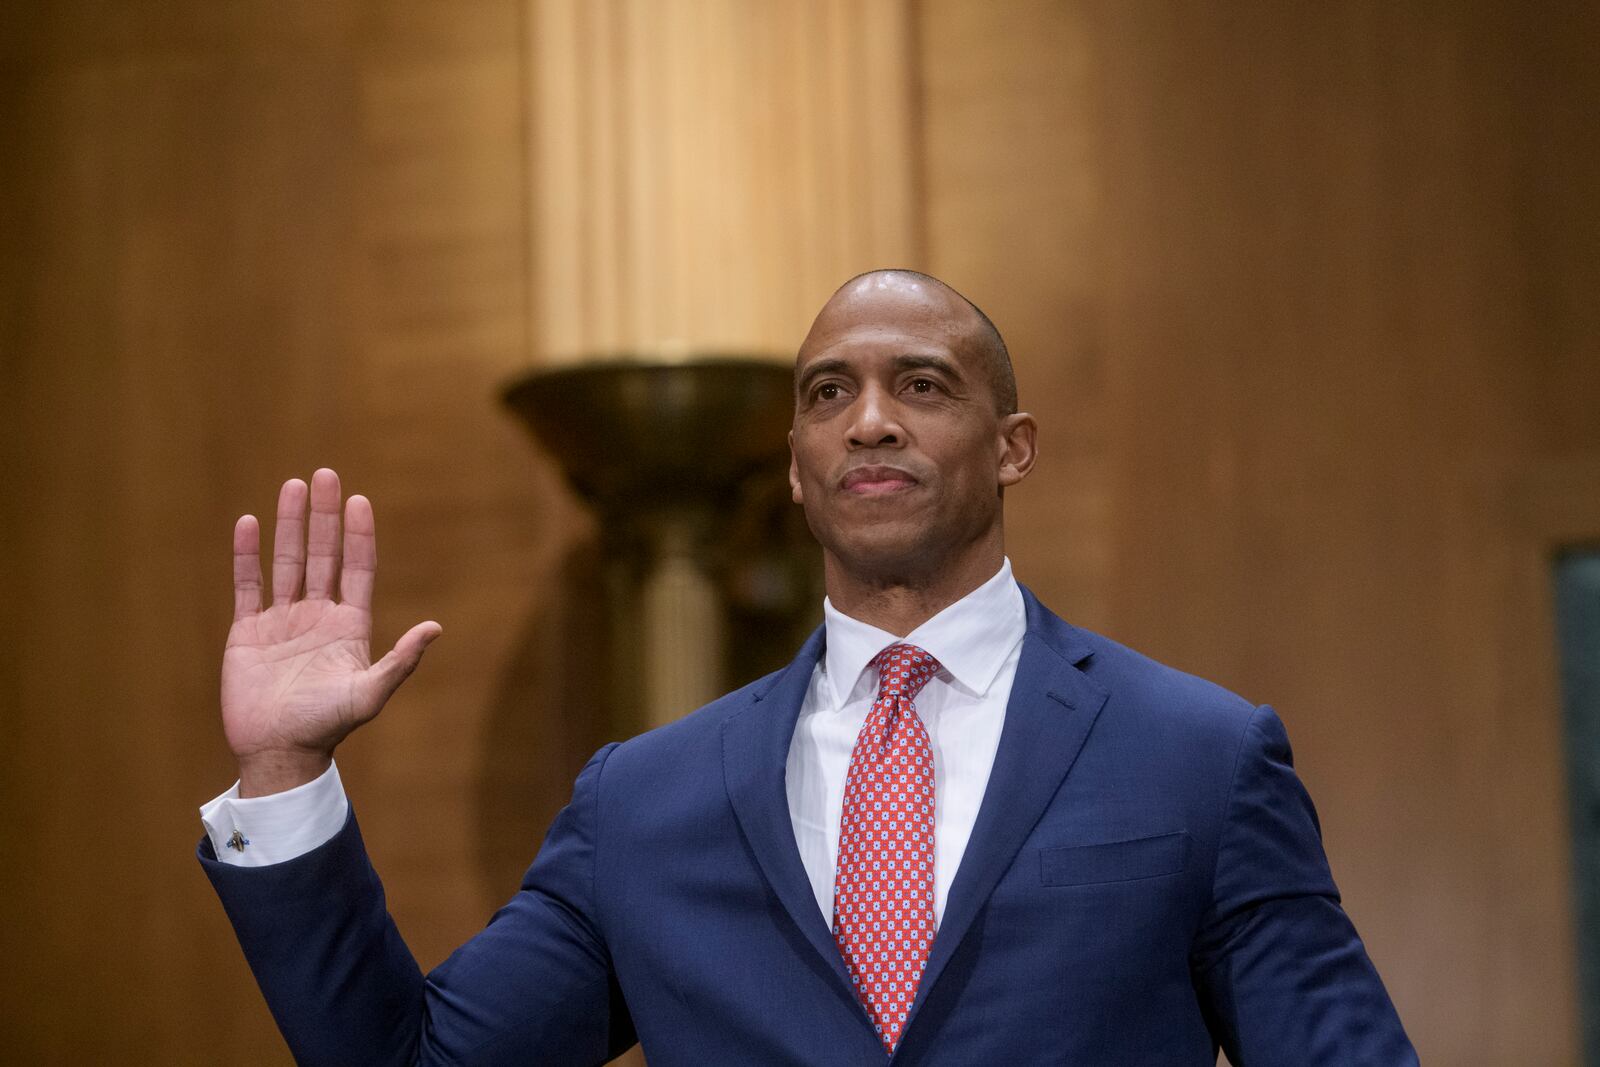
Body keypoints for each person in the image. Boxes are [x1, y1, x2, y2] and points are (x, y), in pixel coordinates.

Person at [199, 270, 1416, 1065]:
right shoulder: (641, 801)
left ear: (1013, 449)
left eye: (921, 385)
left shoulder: (1199, 756)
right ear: (794, 464)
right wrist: (283, 769)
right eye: (829, 393)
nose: (869, 419)